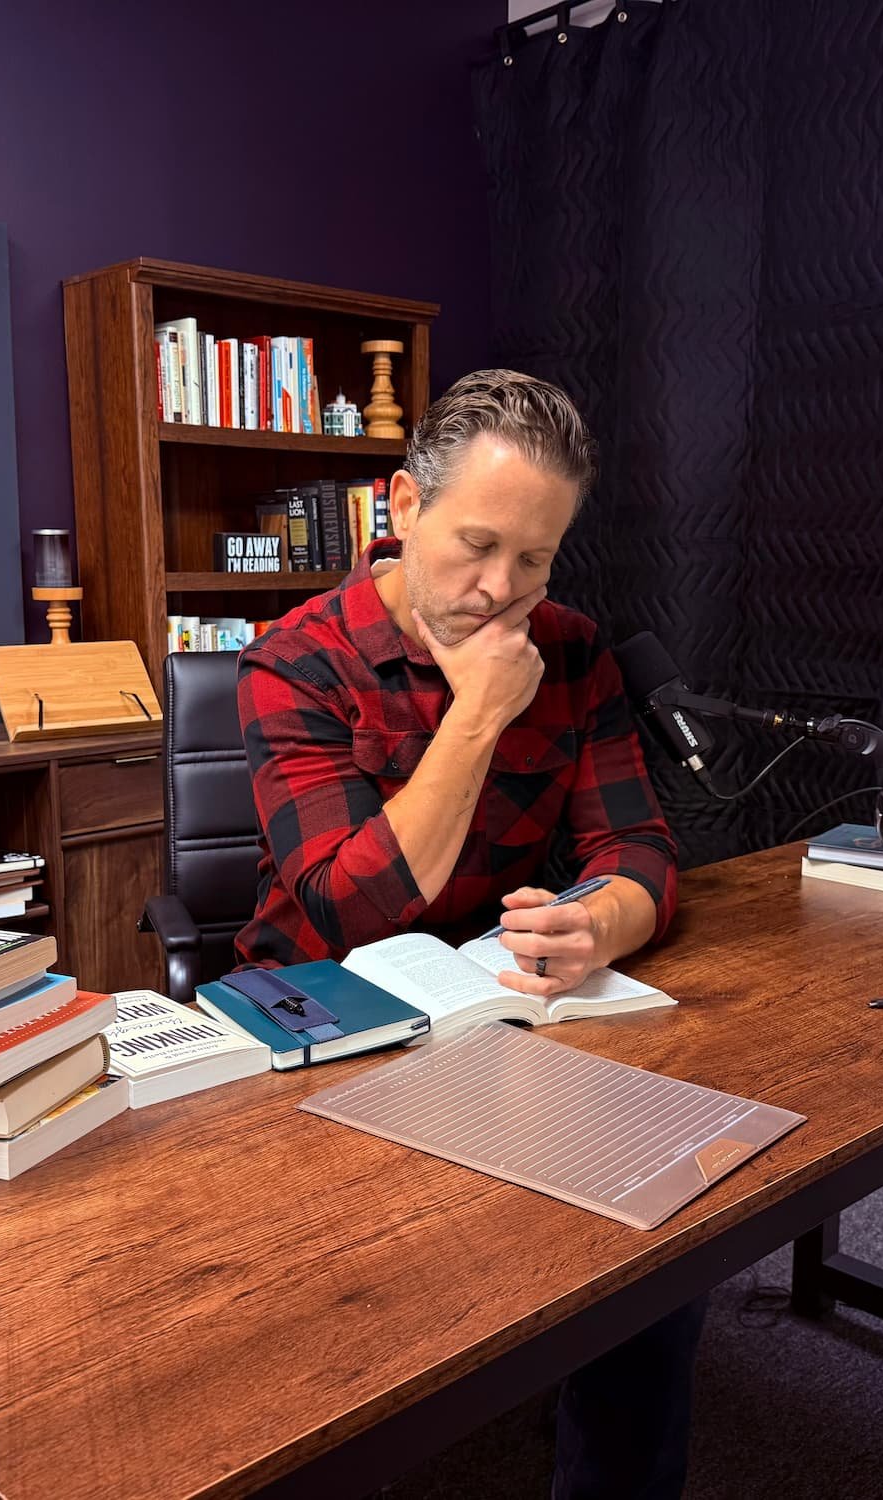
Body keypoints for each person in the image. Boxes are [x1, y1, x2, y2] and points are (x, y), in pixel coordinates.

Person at [234, 369, 704, 1499]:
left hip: (501, 1016)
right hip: (305, 1030)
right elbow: (355, 905)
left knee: (659, 1240)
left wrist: (601, 922)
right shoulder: (292, 660)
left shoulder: (577, 652)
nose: (503, 592)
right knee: (333, 1328)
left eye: (536, 560)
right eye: (477, 547)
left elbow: (642, 850)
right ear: (400, 506)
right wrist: (482, 713)